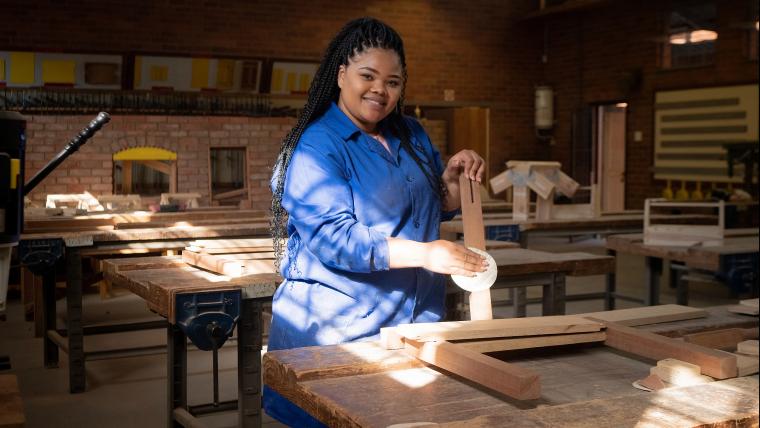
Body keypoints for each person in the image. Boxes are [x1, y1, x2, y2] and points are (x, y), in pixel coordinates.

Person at [265, 17, 487, 426]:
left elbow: (432, 207)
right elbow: (336, 239)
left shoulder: (411, 133)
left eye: (393, 82)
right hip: (338, 333)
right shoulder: (315, 146)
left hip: (414, 324)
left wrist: (453, 181)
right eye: (368, 76)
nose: (380, 91)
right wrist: (427, 254)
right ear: (341, 74)